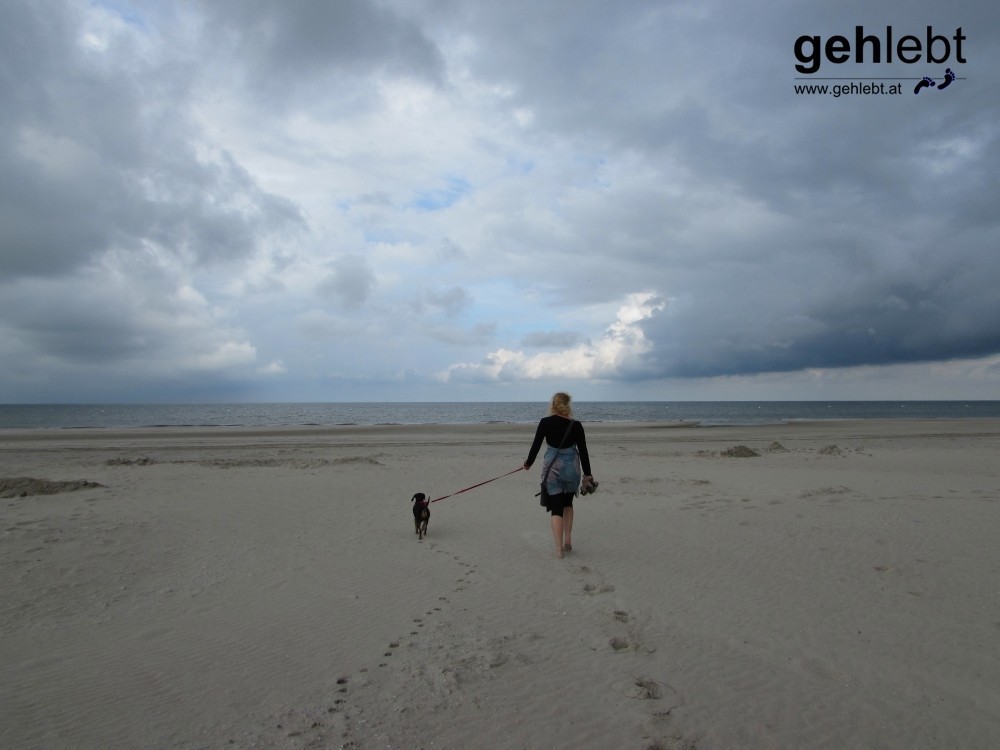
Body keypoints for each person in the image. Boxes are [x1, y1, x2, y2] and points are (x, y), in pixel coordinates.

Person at [523, 392, 596, 558]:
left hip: (552, 469)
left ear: (553, 404)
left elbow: (535, 446)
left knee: (556, 508)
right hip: (571, 469)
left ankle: (558, 550)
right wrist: (588, 474)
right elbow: (584, 452)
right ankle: (568, 539)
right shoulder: (576, 425)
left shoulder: (545, 422)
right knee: (568, 503)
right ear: (568, 405)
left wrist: (528, 464)